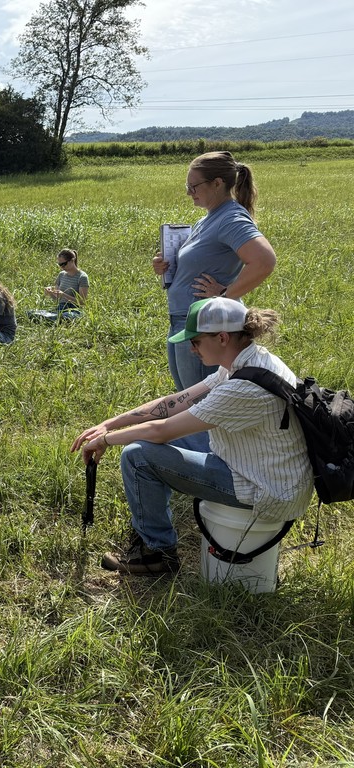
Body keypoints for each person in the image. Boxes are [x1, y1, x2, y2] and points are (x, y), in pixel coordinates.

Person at [72, 297, 312, 575]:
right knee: (145, 442)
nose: (191, 348)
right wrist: (110, 424)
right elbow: (177, 401)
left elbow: (161, 431)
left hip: (267, 490)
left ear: (222, 337)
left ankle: (157, 553)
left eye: (195, 341)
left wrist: (105, 440)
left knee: (138, 456)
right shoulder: (245, 361)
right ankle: (149, 532)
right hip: (264, 464)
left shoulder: (242, 386)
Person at [152, 151, 277, 391]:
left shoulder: (230, 218)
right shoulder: (208, 219)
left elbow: (264, 260)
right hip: (184, 320)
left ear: (217, 183)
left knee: (199, 407)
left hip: (207, 326)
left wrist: (225, 295)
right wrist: (166, 265)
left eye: (194, 186)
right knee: (188, 401)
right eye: (187, 186)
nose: (189, 192)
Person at [28, 248, 90, 322]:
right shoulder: (61, 275)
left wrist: (64, 295)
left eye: (64, 264)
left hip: (74, 310)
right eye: (60, 264)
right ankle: (51, 318)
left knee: (65, 316)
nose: (62, 267)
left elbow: (82, 302)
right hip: (60, 308)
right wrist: (50, 293)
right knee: (30, 312)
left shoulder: (82, 277)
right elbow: (57, 299)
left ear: (72, 260)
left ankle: (50, 319)